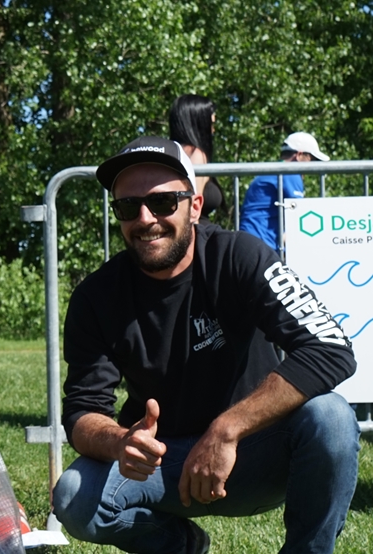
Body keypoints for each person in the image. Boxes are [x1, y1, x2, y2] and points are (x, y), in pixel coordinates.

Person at [52, 136, 359, 553]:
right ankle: (180, 545)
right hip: (164, 463)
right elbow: (83, 411)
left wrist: (227, 429)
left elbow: (330, 347)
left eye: (163, 203)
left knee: (332, 417)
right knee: (75, 495)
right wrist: (121, 441)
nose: (145, 218)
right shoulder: (95, 296)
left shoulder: (241, 256)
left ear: (194, 206)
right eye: (128, 207)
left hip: (259, 453)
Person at [240, 131, 329, 253]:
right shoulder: (290, 172)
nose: (312, 166)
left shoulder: (274, 170)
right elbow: (299, 214)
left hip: (252, 242)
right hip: (263, 244)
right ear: (299, 155)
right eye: (311, 159)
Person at [168, 94, 225, 224]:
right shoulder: (196, 155)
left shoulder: (173, 152)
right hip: (198, 234)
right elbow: (192, 211)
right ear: (199, 124)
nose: (213, 130)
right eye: (210, 123)